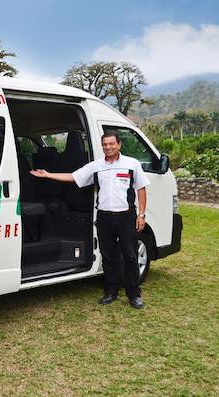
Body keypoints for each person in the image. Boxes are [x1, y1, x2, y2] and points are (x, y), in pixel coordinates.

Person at [30, 131, 150, 309]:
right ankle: (111, 292)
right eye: (105, 144)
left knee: (130, 256)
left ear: (119, 145)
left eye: (111, 144)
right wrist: (48, 174)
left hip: (126, 216)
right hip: (104, 216)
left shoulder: (131, 164)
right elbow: (73, 176)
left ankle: (134, 294)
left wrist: (141, 215)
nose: (108, 147)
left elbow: (141, 189)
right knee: (108, 256)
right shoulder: (96, 166)